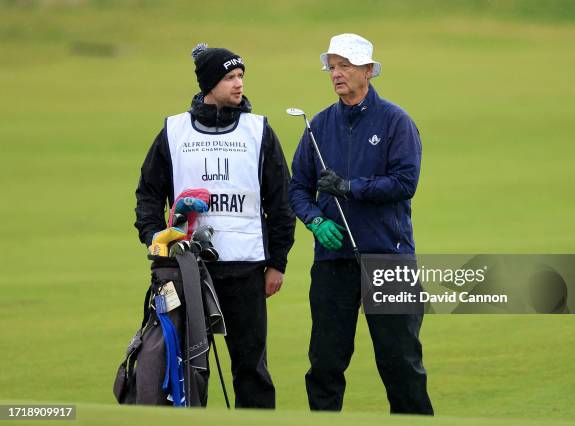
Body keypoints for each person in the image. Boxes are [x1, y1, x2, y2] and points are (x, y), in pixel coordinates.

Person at [134, 43, 295, 408]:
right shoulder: (174, 132)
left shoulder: (259, 131)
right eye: (229, 77)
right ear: (209, 83)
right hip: (188, 271)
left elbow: (280, 203)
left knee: (252, 369)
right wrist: (156, 239)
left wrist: (278, 262)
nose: (239, 84)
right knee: (189, 368)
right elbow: (148, 195)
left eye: (240, 76)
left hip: (248, 268)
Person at [288, 33, 434, 414]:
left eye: (346, 66)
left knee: (401, 364)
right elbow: (298, 189)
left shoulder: (396, 122)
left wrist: (351, 188)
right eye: (332, 67)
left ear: (368, 71)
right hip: (333, 261)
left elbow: (405, 183)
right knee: (325, 363)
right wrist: (315, 219)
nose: (336, 74)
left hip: (389, 257)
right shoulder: (317, 126)